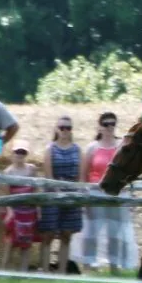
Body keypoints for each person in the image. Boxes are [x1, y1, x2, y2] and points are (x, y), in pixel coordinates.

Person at [79, 112, 137, 273]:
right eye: (106, 124)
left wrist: (131, 194)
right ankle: (89, 265)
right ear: (100, 126)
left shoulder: (122, 146)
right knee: (92, 232)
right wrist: (84, 195)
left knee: (115, 232)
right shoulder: (92, 148)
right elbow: (83, 175)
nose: (110, 127)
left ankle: (114, 265)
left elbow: (129, 171)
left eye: (112, 123)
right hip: (95, 193)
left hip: (117, 194)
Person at [38, 116, 83, 274]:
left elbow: (80, 176)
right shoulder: (50, 148)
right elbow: (48, 176)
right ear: (56, 129)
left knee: (66, 234)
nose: (65, 130)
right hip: (53, 193)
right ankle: (44, 269)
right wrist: (58, 193)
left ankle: (62, 271)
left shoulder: (77, 149)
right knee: (49, 234)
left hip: (71, 193)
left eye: (68, 128)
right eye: (62, 127)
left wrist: (76, 193)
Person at [0, 143, 39, 272]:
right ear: (13, 154)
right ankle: (3, 272)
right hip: (15, 211)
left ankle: (24, 272)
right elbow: (6, 195)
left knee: (27, 244)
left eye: (23, 152)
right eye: (18, 152)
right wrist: (10, 212)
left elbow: (36, 190)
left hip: (29, 211)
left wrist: (38, 209)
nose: (20, 155)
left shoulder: (32, 169)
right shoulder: (7, 172)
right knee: (10, 242)